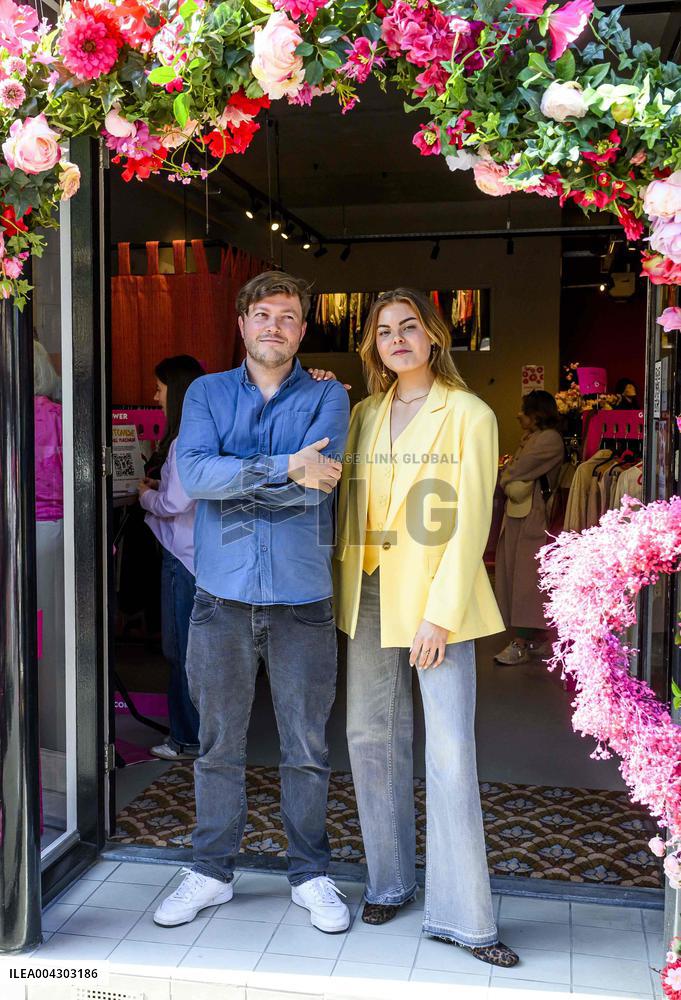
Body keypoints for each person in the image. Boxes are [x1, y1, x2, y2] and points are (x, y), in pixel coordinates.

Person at [154, 271, 351, 933]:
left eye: (287, 315)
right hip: (221, 600)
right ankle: (210, 872)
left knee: (305, 746)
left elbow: (318, 489)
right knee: (216, 746)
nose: (274, 325)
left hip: (302, 602)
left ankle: (310, 873)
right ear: (240, 324)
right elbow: (197, 475)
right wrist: (281, 465)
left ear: (302, 327)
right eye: (261, 314)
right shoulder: (207, 393)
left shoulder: (329, 399)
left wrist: (249, 474)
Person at [333, 289, 519, 969]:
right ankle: (387, 881)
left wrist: (439, 614)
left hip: (436, 600)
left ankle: (466, 918)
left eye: (409, 326)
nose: (397, 338)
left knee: (447, 751)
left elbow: (470, 519)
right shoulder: (360, 414)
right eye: (384, 331)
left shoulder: (467, 413)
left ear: (433, 336)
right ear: (374, 346)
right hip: (370, 591)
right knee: (369, 739)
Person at [138, 355, 205, 761]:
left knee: (180, 649)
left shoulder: (184, 441)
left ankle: (185, 738)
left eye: (159, 389)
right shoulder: (210, 432)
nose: (154, 396)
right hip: (204, 556)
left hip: (183, 556)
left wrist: (145, 494)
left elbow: (175, 502)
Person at [494, 390, 564, 665]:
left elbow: (517, 470)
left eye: (524, 409)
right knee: (518, 574)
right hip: (521, 514)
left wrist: (508, 476)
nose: (518, 414)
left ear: (537, 412)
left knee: (525, 578)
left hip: (533, 515)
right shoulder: (536, 438)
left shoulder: (548, 440)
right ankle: (535, 638)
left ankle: (522, 641)